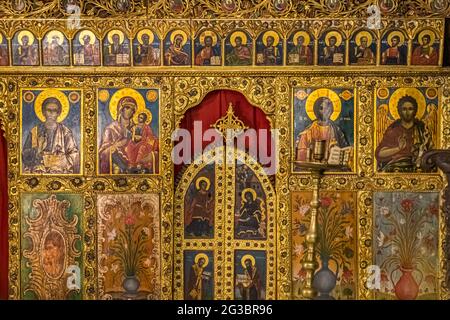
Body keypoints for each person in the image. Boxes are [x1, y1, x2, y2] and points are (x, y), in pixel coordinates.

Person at [375, 95, 433, 172]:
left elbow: (431, 152)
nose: (407, 112)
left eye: (410, 109)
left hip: (418, 167)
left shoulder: (422, 129)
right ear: (399, 111)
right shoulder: (393, 130)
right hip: (395, 166)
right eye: (404, 109)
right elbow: (379, 154)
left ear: (415, 111)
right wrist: (398, 148)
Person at [22, 97, 79, 174]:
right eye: (48, 110)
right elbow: (25, 155)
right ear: (43, 112)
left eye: (54, 110)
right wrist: (37, 151)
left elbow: (74, 155)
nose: (51, 113)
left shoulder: (65, 132)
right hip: (39, 171)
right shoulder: (35, 131)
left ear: (58, 113)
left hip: (59, 171)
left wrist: (56, 160)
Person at [296, 97, 349, 162]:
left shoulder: (337, 130)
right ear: (316, 110)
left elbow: (345, 150)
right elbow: (301, 155)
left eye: (329, 108)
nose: (326, 111)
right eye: (322, 108)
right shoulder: (308, 132)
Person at [98, 96, 137, 174]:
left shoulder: (136, 128)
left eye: (132, 109)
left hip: (135, 158)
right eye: (127, 107)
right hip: (119, 160)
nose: (130, 111)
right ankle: (126, 168)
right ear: (121, 109)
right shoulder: (111, 128)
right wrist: (118, 145)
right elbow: (103, 152)